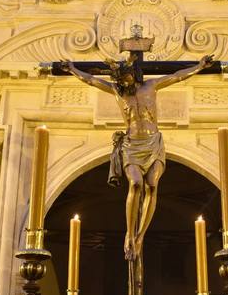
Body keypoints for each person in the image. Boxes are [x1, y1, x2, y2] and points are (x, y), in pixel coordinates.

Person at [62, 53, 213, 261]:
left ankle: (140, 236)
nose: (124, 82)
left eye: (127, 78)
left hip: (153, 143)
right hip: (132, 145)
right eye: (121, 80)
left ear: (134, 75)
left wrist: (199, 66)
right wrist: (72, 69)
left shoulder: (150, 86)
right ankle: (129, 233)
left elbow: (177, 76)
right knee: (134, 184)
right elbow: (92, 80)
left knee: (152, 184)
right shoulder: (118, 92)